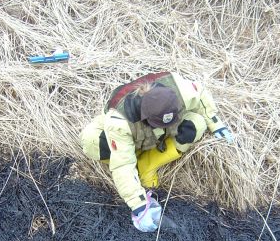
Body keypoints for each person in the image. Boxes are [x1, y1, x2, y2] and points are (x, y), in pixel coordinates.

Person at [80, 71, 233, 232]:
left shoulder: (181, 90)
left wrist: (216, 123)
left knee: (197, 124)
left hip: (157, 132)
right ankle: (137, 159)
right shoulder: (119, 121)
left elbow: (200, 93)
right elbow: (122, 166)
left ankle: (147, 165)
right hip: (130, 136)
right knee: (90, 141)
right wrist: (139, 206)